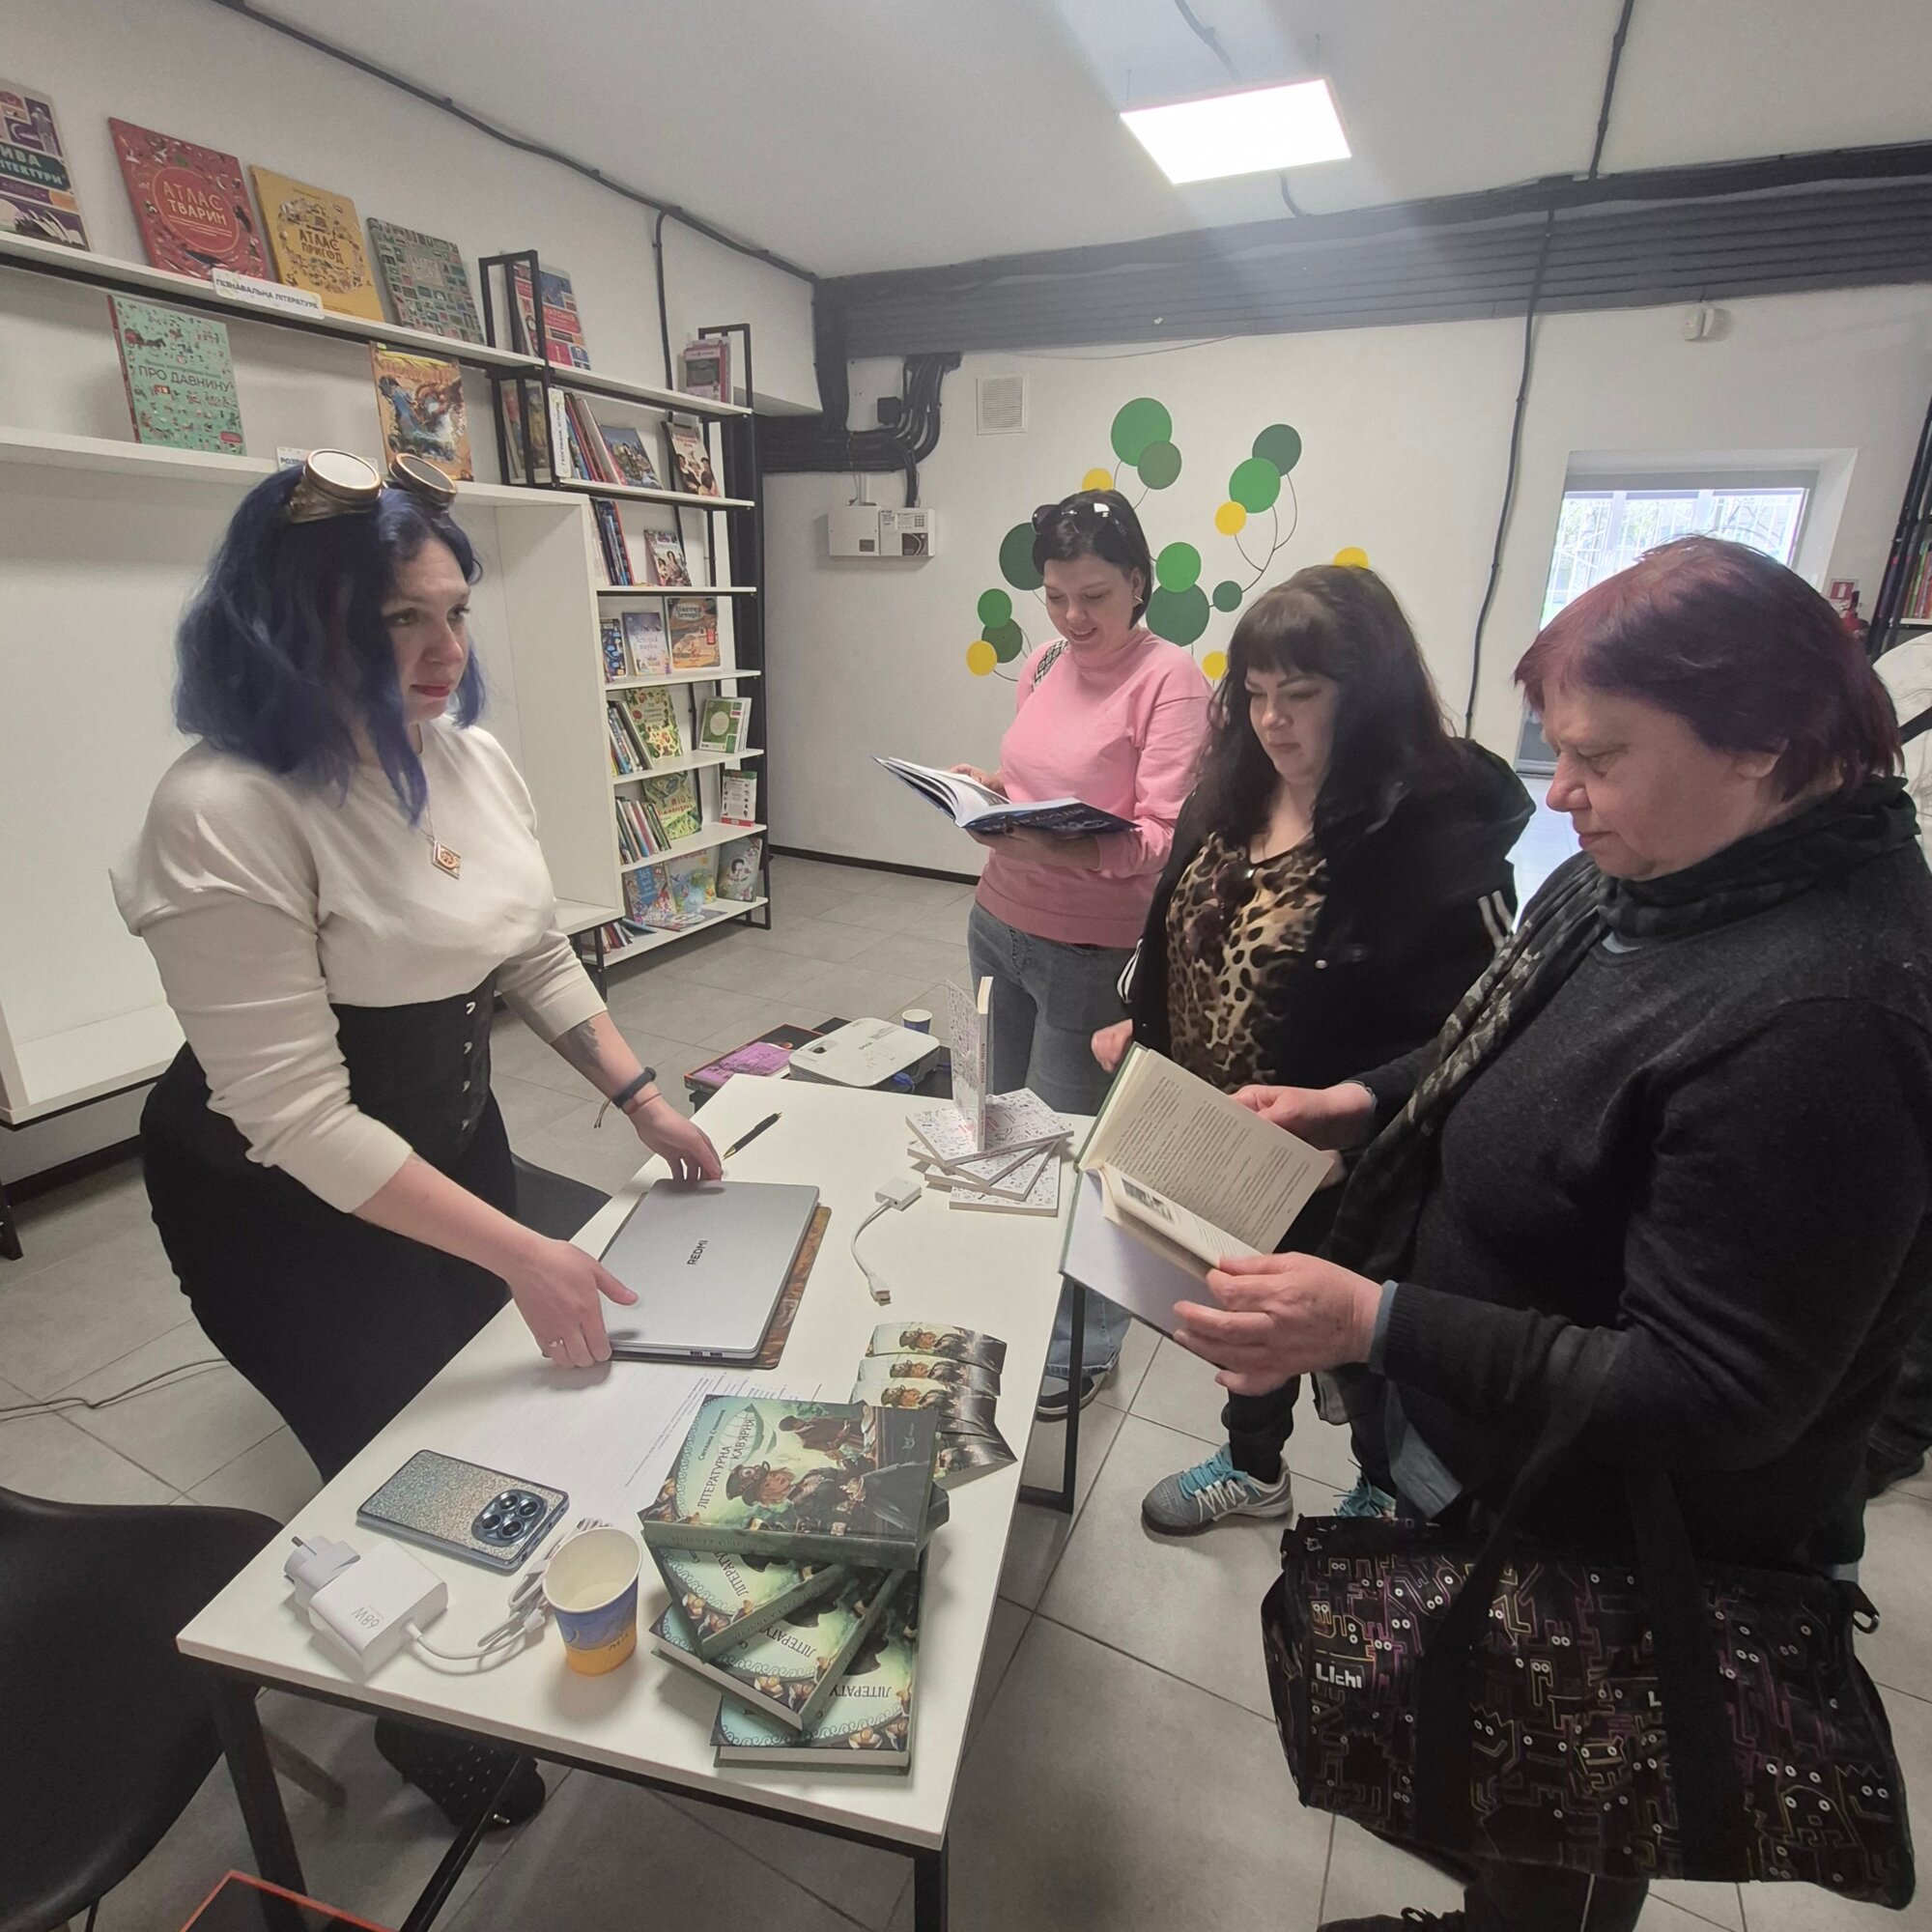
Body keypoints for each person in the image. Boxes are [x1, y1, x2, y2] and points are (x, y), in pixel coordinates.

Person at [1171, 537, 1932, 1932]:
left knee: (1579, 1780)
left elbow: (1713, 1389)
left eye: (1599, 754)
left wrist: (1372, 1319)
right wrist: (1360, 1100)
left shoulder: (1826, 1014)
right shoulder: (1657, 867)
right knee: (1510, 1783)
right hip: (1500, 1455)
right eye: (1559, 746)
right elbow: (1503, 1037)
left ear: (1762, 744)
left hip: (1626, 1529)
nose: (1558, 789)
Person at [112, 453, 723, 1824]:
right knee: (393, 1460)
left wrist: (641, 1095)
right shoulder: (223, 810)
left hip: (445, 1142)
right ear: (290, 619)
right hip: (275, 1208)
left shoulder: (466, 754)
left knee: (503, 1399)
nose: (448, 652)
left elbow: (528, 949)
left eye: (455, 612)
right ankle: (419, 1713)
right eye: (402, 619)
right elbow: (299, 1118)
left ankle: (505, 1617)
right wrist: (524, 1254)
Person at [1093, 566, 1529, 1536]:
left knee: (1353, 1342)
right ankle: (1254, 1469)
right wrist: (1141, 1014)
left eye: (1299, 694)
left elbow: (1489, 1025)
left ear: (1366, 698)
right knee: (1242, 1313)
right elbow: (1181, 923)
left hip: (1344, 1158)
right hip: (1218, 1132)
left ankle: (1380, 1486)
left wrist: (1362, 1110)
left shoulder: (1432, 832)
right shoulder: (1237, 786)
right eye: (1253, 694)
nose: (1271, 722)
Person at [951, 489, 1210, 1415]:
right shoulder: (1046, 660)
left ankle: (1083, 1342)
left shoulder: (1171, 679)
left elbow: (1164, 838)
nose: (1072, 617)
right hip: (998, 921)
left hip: (1091, 952)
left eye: (1093, 596)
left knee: (1078, 1151)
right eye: (1056, 596)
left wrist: (1058, 849)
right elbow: (1039, 779)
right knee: (999, 1122)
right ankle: (1016, 1288)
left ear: (1139, 582)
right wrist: (992, 791)